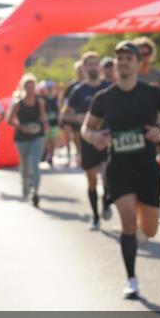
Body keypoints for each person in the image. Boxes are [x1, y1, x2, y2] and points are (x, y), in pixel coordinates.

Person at [83, 41, 160, 299]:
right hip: (119, 167)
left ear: (138, 64)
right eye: (119, 58)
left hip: (147, 167)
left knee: (151, 229)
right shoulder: (104, 98)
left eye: (128, 58)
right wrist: (94, 138)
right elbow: (86, 129)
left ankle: (140, 235)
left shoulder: (153, 93)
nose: (123, 62)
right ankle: (131, 279)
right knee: (127, 223)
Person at [59, 51, 112, 228]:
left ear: (100, 67)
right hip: (88, 140)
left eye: (96, 63)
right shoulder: (78, 90)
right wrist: (79, 119)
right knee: (92, 180)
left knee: (107, 176)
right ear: (84, 67)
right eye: (89, 63)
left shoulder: (109, 87)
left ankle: (106, 203)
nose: (93, 66)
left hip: (106, 139)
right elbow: (66, 114)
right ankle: (95, 216)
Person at [7, 74, 48, 206]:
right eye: (28, 87)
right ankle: (25, 186)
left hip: (37, 136)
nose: (30, 89)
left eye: (32, 87)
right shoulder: (18, 104)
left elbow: (43, 118)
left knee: (35, 164)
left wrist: (44, 126)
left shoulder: (39, 102)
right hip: (22, 138)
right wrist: (21, 127)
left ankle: (36, 192)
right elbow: (9, 120)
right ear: (23, 87)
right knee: (25, 165)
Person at [61, 60, 86, 167]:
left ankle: (81, 155)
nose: (80, 72)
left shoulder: (90, 84)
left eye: (82, 70)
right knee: (72, 136)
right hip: (73, 117)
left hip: (86, 116)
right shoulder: (72, 87)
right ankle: (72, 155)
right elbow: (64, 102)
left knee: (80, 138)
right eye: (78, 70)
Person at [39, 80, 61, 166]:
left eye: (51, 88)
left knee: (53, 141)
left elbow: (59, 110)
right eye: (48, 88)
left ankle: (50, 156)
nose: (50, 90)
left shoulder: (56, 98)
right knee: (48, 141)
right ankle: (48, 155)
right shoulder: (42, 99)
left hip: (54, 123)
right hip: (46, 124)